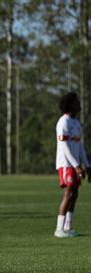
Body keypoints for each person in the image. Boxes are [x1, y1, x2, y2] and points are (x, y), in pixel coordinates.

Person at [54, 92, 90, 238]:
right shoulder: (63, 122)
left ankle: (68, 227)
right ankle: (59, 229)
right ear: (70, 104)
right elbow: (64, 147)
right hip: (66, 164)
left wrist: (87, 165)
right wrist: (76, 165)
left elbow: (79, 146)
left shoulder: (76, 123)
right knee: (68, 193)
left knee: (74, 194)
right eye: (76, 101)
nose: (79, 103)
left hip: (75, 164)